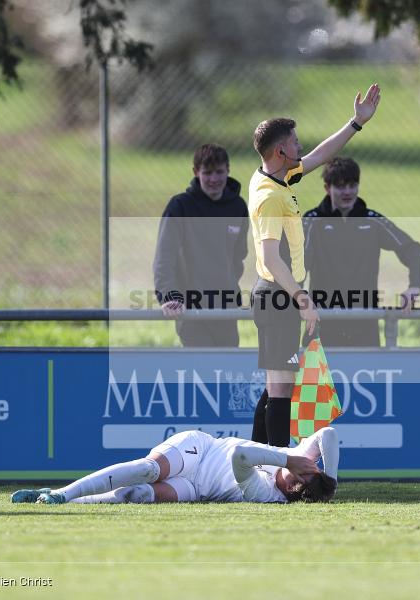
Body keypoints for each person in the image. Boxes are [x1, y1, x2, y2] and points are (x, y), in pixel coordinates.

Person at [248, 84, 381, 447]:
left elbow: (322, 154)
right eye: (294, 142)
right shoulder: (270, 196)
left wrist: (356, 123)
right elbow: (272, 257)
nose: (300, 147)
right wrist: (302, 300)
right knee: (280, 392)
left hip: (278, 296)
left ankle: (257, 467)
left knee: (278, 386)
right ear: (280, 151)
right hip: (278, 297)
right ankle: (276, 475)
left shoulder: (276, 175)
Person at [10, 427, 338, 505]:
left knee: (137, 494)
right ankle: (64, 494)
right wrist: (332, 480)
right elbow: (329, 433)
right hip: (198, 449)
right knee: (150, 469)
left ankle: (49, 494)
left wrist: (289, 459)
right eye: (313, 470)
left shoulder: (267, 494)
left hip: (195, 487)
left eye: (312, 471)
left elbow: (240, 454)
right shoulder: (304, 459)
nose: (312, 465)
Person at [303, 157, 420, 346]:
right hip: (322, 320)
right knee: (316, 376)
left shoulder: (372, 221)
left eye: (352, 185)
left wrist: (415, 286)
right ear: (327, 188)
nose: (347, 192)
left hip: (365, 320)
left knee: (367, 375)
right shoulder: (312, 221)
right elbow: (298, 263)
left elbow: (412, 249)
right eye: (341, 186)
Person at [153, 144, 249, 347]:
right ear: (196, 172)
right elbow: (164, 257)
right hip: (190, 309)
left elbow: (238, 256)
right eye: (207, 173)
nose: (214, 179)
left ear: (228, 170)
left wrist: (228, 286)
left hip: (226, 308)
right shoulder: (180, 206)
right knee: (202, 370)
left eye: (219, 172)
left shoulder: (238, 207)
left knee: (226, 373)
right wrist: (170, 295)